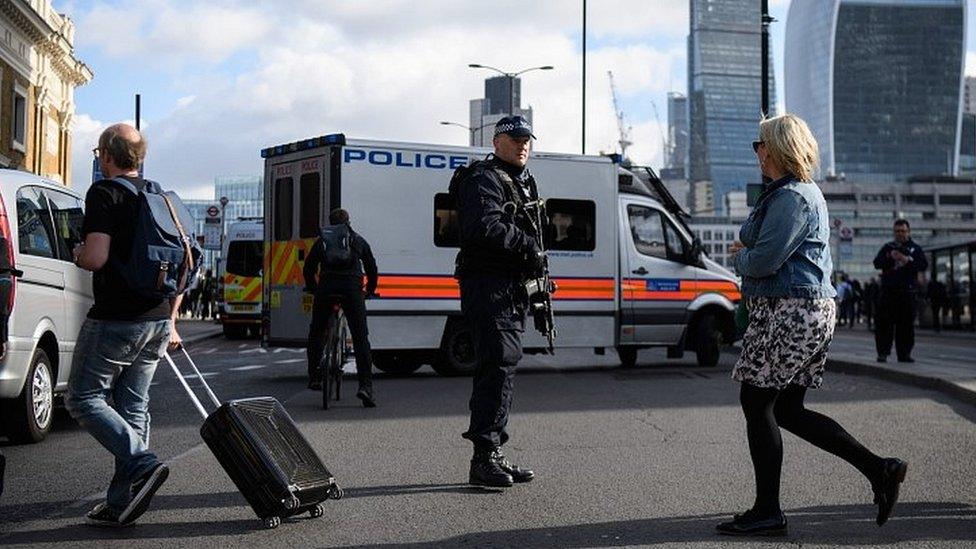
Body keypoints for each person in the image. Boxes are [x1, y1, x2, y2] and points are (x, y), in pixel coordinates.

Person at [721, 114, 906, 536]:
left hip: (793, 311)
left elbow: (762, 257)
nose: (756, 151)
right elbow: (751, 232)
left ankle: (768, 510)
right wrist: (752, 238)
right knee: (785, 408)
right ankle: (880, 469)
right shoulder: (782, 193)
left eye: (759, 143)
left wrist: (740, 260)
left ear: (777, 147)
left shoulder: (793, 198)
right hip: (799, 310)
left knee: (757, 402)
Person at [65, 123, 182, 527]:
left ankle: (142, 463)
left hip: (117, 319)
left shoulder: (104, 192)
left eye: (98, 152)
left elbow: (96, 258)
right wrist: (172, 319)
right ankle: (121, 502)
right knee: (133, 406)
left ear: (107, 156)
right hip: (157, 321)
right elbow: (184, 261)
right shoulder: (159, 196)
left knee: (82, 399)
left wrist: (79, 252)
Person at [453, 115, 541, 488]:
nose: (523, 145)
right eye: (515, 138)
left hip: (509, 287)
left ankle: (494, 453)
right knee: (497, 367)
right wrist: (527, 246)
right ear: (496, 142)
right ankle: (483, 458)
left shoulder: (521, 181)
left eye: (527, 140)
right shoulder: (483, 179)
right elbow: (484, 227)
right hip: (488, 285)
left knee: (504, 367)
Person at [303, 208, 379, 407]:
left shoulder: (323, 242)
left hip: (326, 289)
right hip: (352, 290)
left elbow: (308, 268)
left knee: (317, 331)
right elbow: (372, 267)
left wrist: (313, 288)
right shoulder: (357, 240)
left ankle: (315, 377)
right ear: (348, 222)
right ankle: (366, 388)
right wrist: (369, 290)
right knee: (361, 337)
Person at [873, 219, 928, 363]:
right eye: (897, 231)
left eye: (903, 231)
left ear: (908, 232)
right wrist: (889, 257)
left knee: (906, 326)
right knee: (884, 324)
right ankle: (883, 353)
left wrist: (907, 260)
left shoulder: (915, 249)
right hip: (888, 292)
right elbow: (877, 263)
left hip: (907, 292)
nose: (900, 234)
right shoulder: (888, 247)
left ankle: (904, 354)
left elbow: (922, 265)